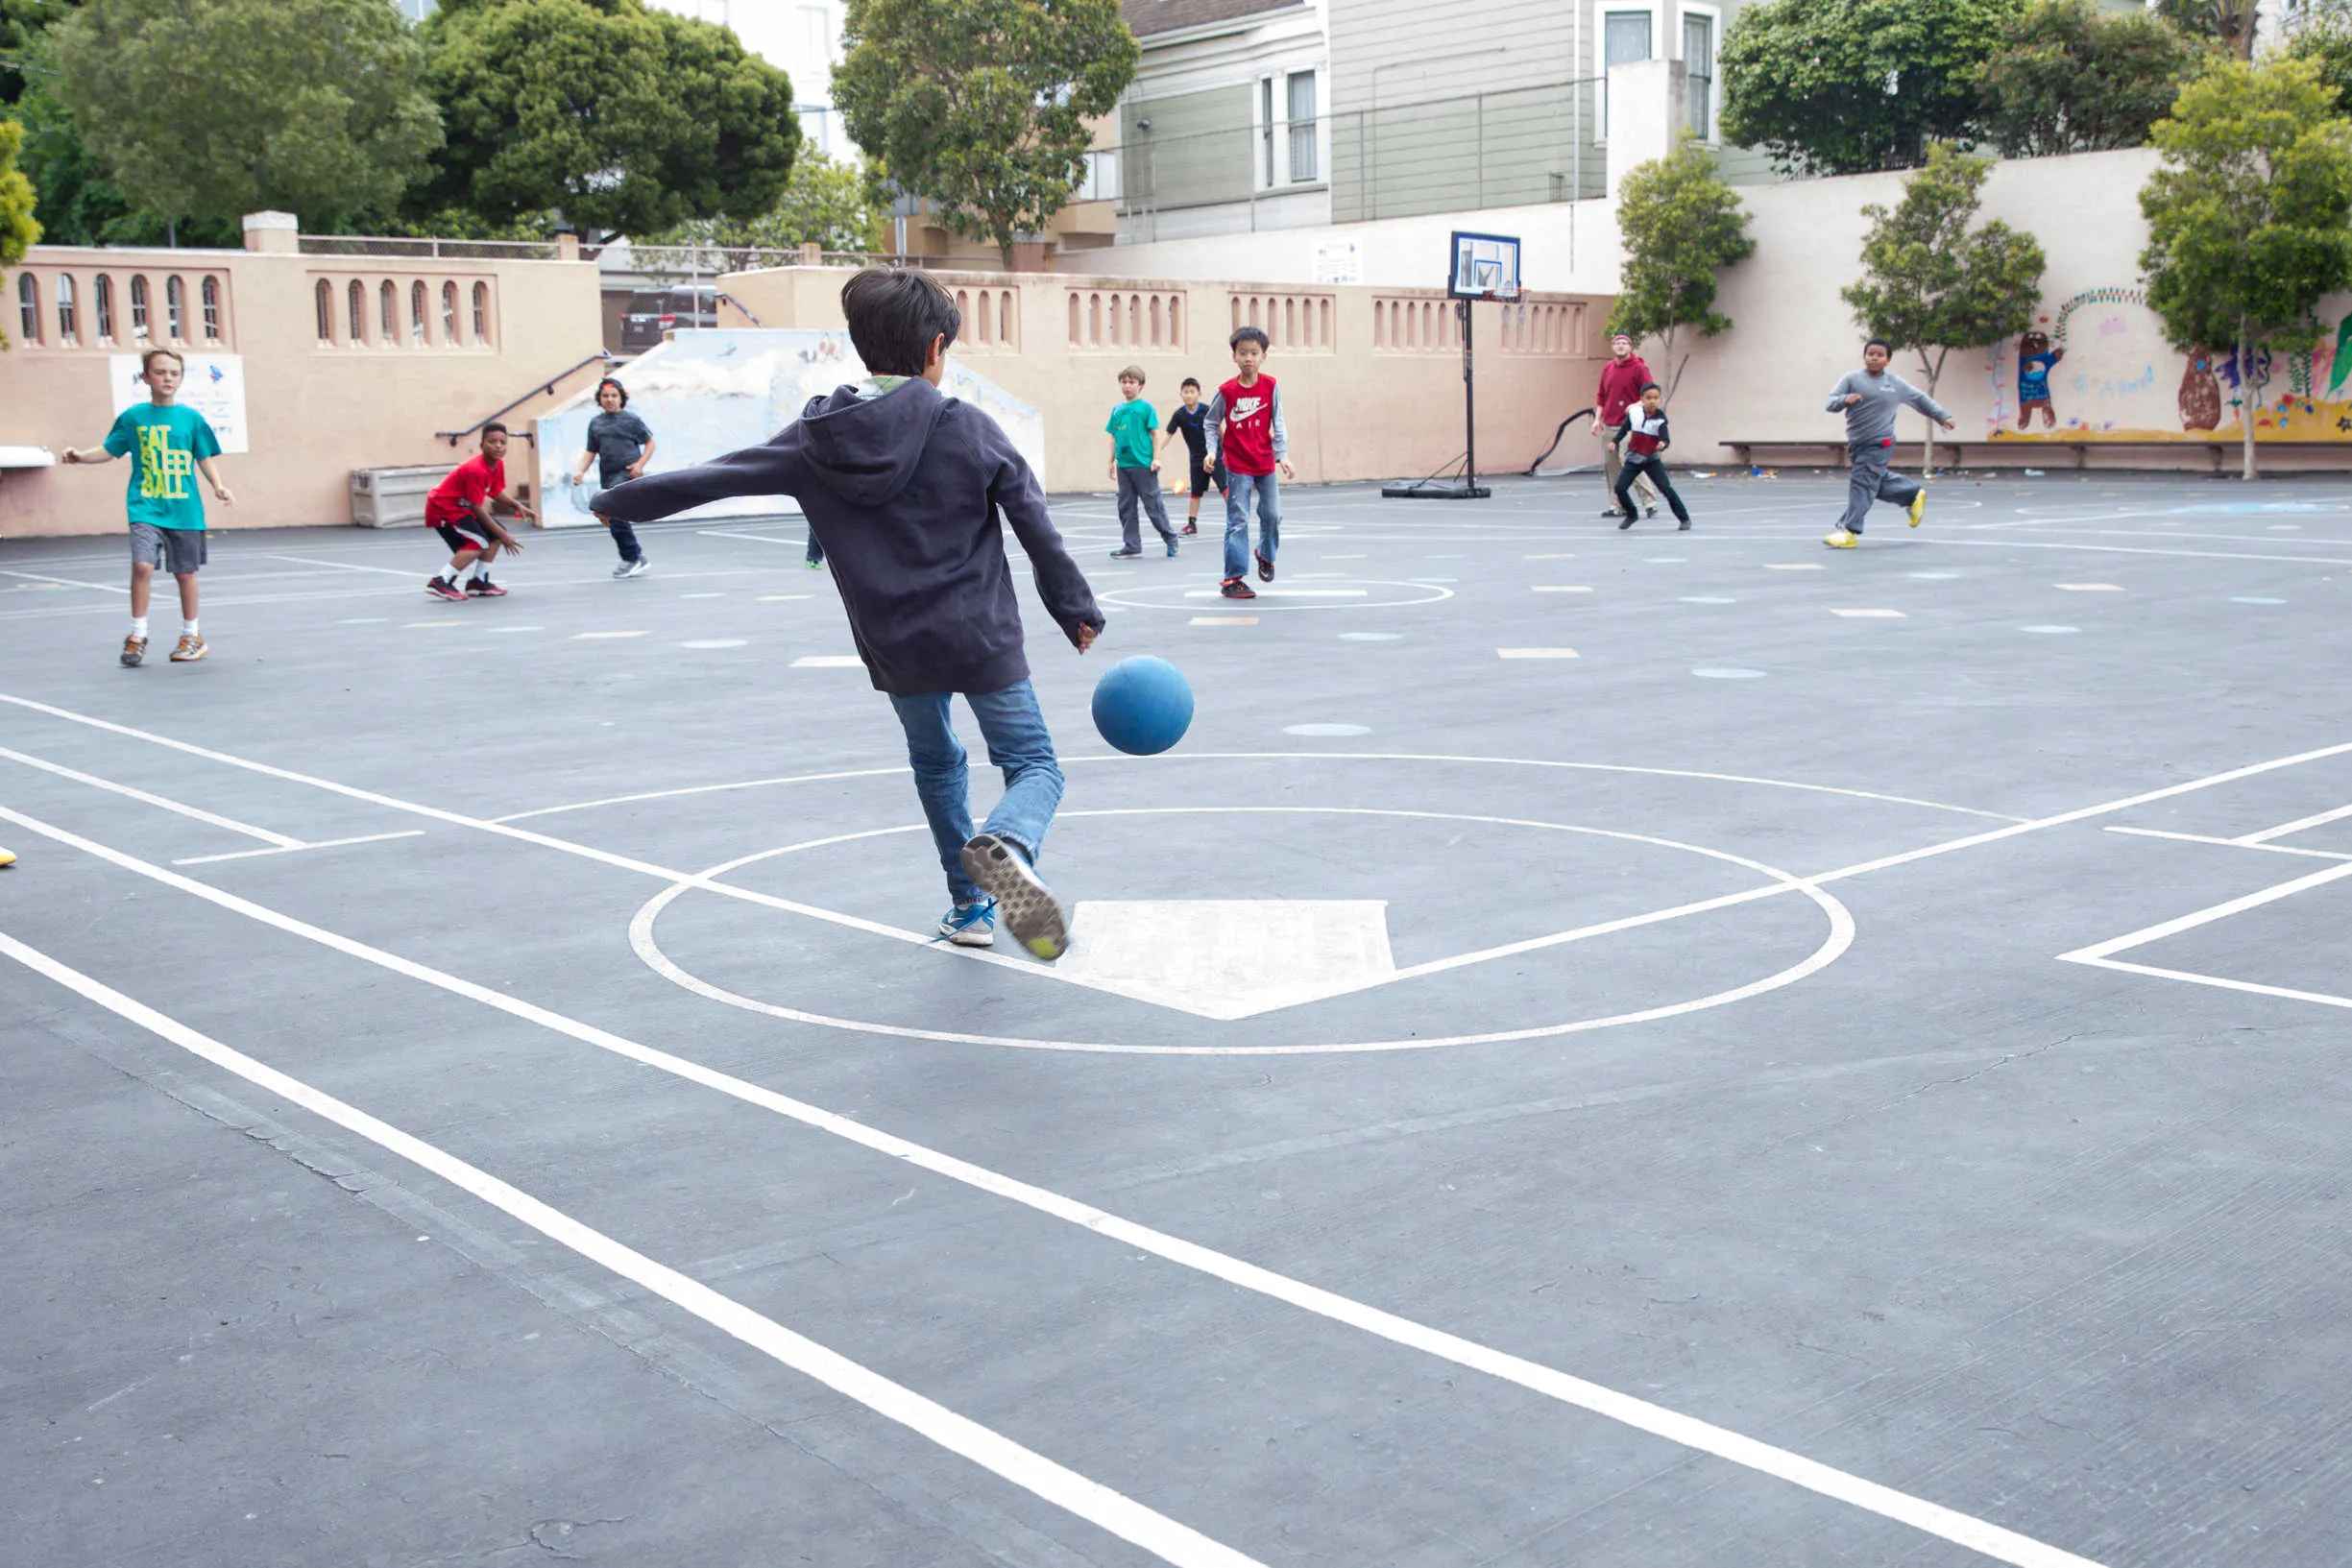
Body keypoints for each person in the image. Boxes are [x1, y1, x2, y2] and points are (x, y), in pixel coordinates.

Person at [592, 267, 1103, 960]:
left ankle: (969, 905)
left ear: (862, 346)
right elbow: (1033, 521)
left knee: (936, 762)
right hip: (980, 636)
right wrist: (1074, 607)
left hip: (895, 644)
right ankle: (1007, 844)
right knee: (1034, 764)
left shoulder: (817, 438)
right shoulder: (967, 427)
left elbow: (716, 476)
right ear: (937, 347)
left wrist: (616, 501)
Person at [61, 346, 233, 666]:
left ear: (181, 379)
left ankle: (192, 635)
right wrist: (80, 457)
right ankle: (138, 635)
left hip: (184, 510)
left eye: (174, 373)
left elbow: (203, 457)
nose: (168, 378)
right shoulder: (133, 418)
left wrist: (218, 486)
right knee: (142, 566)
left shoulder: (191, 419)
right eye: (160, 372)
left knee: (185, 573)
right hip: (145, 506)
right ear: (145, 377)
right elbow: (110, 449)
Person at [1823, 338, 1954, 548]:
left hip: (1880, 442)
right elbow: (1830, 403)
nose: (1874, 358)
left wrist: (1942, 416)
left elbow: (1920, 399)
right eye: (1870, 354)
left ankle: (1850, 531)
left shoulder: (1895, 384)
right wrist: (1844, 400)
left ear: (1888, 360)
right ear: (1864, 357)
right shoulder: (1851, 379)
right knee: (1871, 480)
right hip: (1858, 443)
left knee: (1862, 483)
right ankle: (1911, 494)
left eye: (1880, 355)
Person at [1205, 326, 1294, 601]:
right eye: (1242, 353)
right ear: (1234, 356)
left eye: (1254, 353)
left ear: (1263, 357)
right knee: (1238, 519)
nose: (1248, 358)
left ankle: (1265, 554)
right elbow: (1210, 422)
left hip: (1264, 461)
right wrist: (1211, 451)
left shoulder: (1271, 385)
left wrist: (1282, 455)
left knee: (1272, 515)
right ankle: (1233, 578)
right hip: (1237, 464)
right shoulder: (1227, 391)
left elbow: (1278, 421)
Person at [424, 422, 534, 599]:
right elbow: (478, 508)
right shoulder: (475, 470)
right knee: (479, 543)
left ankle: (478, 581)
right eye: (492, 442)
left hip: (462, 506)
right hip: (443, 508)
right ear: (482, 445)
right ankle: (441, 581)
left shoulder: (498, 465)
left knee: (495, 536)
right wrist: (504, 536)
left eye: (502, 442)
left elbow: (494, 491)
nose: (498, 446)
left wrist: (516, 505)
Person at [570, 376, 655, 578]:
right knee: (611, 516)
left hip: (627, 474)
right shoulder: (596, 423)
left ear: (621, 398)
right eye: (605, 396)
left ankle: (633, 558)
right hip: (608, 476)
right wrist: (580, 471)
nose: (609, 399)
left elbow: (650, 443)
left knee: (615, 514)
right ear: (600, 399)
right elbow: (591, 451)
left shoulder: (631, 420)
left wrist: (639, 465)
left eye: (614, 395)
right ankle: (635, 557)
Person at [1106, 364, 1177, 560]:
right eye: (1124, 382)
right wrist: (1111, 461)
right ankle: (1132, 544)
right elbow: (1113, 436)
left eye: (1132, 382)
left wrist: (1156, 458)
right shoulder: (1117, 410)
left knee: (1153, 505)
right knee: (1126, 507)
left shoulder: (1146, 408)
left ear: (1140, 385)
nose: (1127, 386)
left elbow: (1155, 434)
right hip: (1124, 465)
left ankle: (1171, 538)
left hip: (1143, 465)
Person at [1593, 331, 1658, 520]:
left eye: (1624, 343)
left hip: (1630, 426)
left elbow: (1650, 395)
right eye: (1617, 343)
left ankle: (1649, 502)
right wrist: (1597, 419)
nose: (1620, 346)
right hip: (1610, 425)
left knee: (1629, 462)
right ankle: (1617, 505)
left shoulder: (1639, 368)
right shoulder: (1608, 368)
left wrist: (1636, 405)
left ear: (1630, 346)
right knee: (1612, 466)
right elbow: (1601, 396)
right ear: (1613, 347)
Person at [1612, 383, 1692, 531]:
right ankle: (1632, 514)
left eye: (1655, 398)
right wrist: (1614, 442)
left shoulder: (1660, 419)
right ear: (1642, 399)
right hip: (1634, 458)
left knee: (1666, 489)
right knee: (1620, 488)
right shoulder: (1634, 413)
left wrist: (1663, 444)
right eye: (1648, 398)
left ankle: (1684, 518)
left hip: (1651, 459)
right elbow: (1624, 429)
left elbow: (1665, 438)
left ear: (1659, 399)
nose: (1652, 401)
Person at [1161, 376, 1224, 536]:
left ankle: (1235, 520)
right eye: (1186, 392)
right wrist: (1156, 452)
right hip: (1196, 458)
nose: (1189, 395)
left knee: (1225, 488)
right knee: (1195, 492)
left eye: (1192, 392)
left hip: (1214, 454)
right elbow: (1168, 435)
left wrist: (1226, 447)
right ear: (1181, 394)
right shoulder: (1179, 415)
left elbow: (1219, 430)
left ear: (1199, 394)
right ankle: (1192, 524)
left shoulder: (1207, 410)